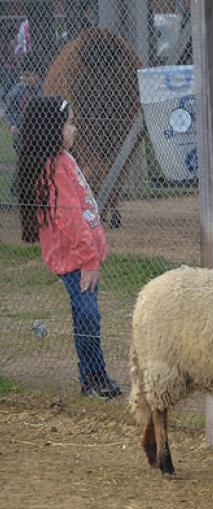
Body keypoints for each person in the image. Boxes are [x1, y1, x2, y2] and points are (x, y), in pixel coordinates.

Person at [16, 96, 122, 399]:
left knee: (84, 316)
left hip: (82, 256)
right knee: (88, 317)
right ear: (53, 128)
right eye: (70, 123)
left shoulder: (64, 159)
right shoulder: (53, 168)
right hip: (77, 260)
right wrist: (89, 260)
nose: (75, 128)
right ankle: (94, 377)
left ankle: (90, 377)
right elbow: (70, 219)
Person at [5, 54, 43, 151]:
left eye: (27, 75)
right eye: (22, 75)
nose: (22, 78)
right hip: (21, 129)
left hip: (38, 129)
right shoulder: (17, 91)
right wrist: (12, 125)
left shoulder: (41, 90)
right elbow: (8, 112)